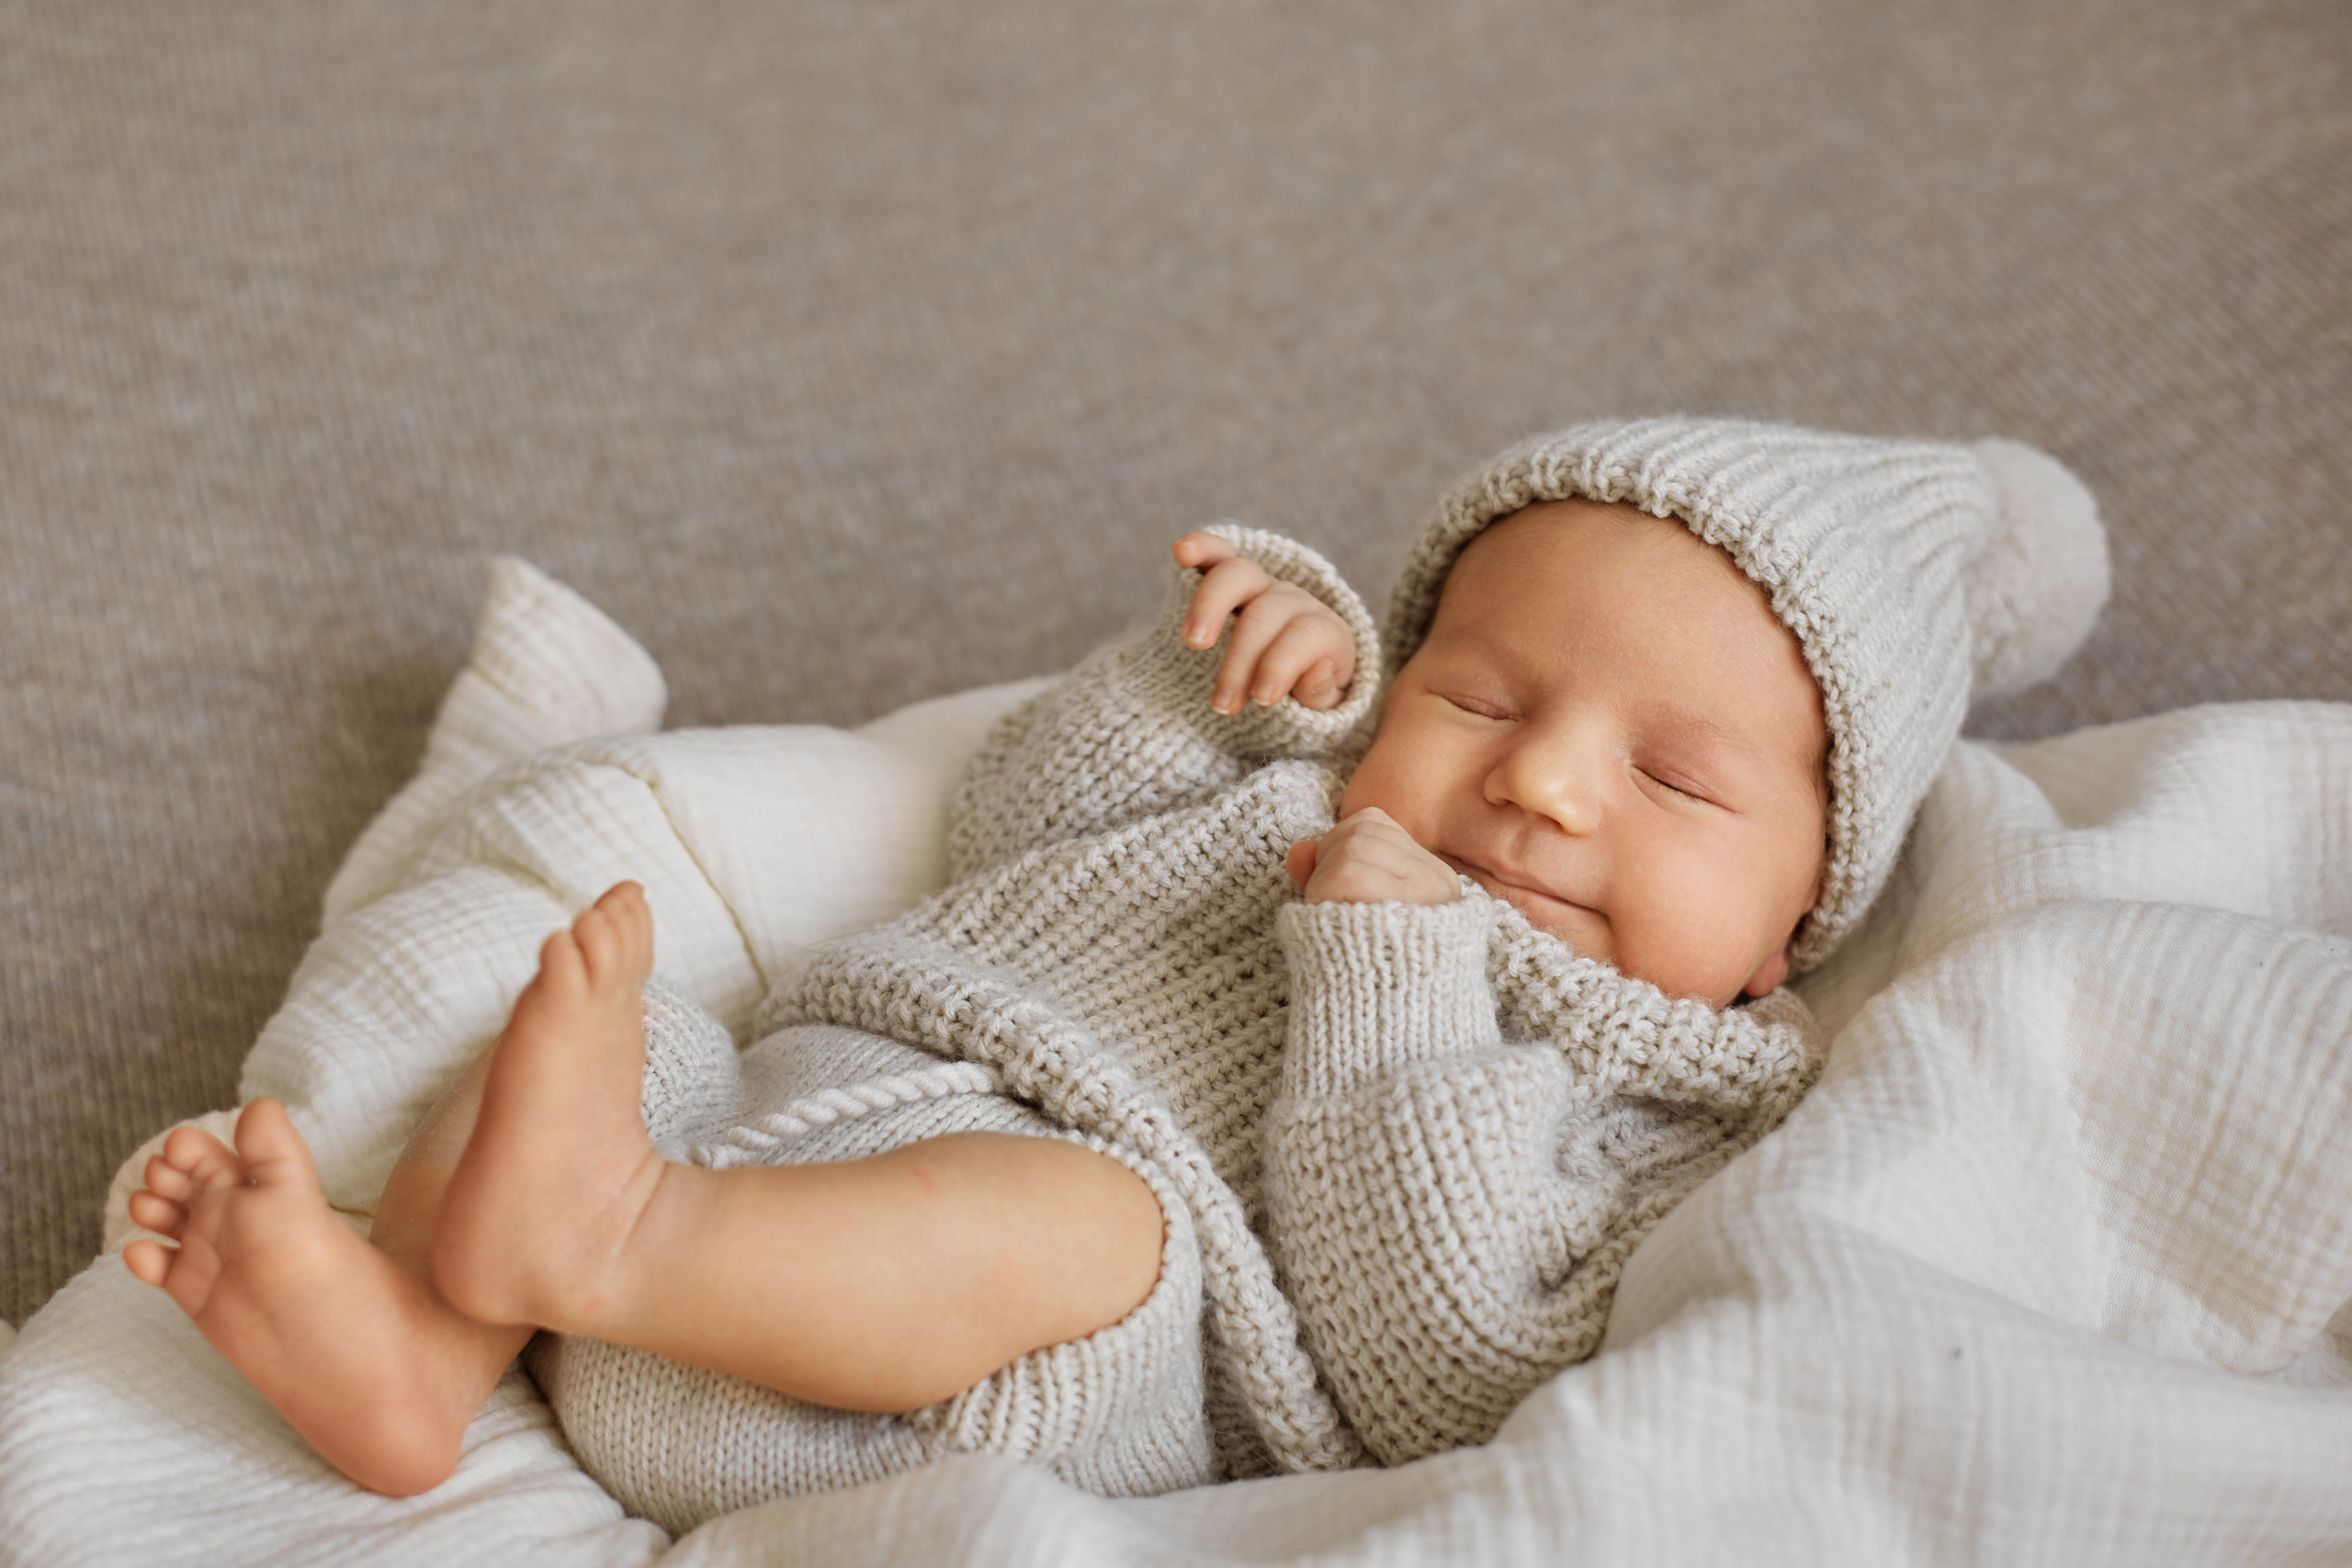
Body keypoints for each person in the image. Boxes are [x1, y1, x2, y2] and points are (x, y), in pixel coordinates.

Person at [121, 418, 2107, 1518]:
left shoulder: (1669, 1090)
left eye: (1672, 777)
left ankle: (610, 1242)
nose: (1543, 786)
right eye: (1480, 690)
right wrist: (1200, 683)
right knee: (596, 1016)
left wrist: (1389, 974)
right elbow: (1015, 827)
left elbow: (1443, 1352)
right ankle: (413, 1343)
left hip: (1004, 1367)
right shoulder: (1306, 781)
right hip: (786, 1114)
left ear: (1796, 923)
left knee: (1074, 1215)